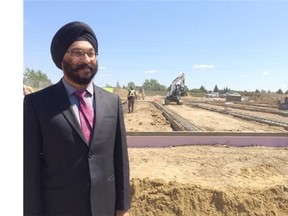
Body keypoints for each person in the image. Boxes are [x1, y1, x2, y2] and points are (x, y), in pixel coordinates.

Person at [24, 21, 131, 216]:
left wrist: (122, 207)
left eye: (91, 53)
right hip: (58, 208)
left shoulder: (112, 102)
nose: (86, 59)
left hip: (104, 207)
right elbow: (29, 167)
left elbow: (120, 158)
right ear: (60, 58)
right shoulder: (36, 104)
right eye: (76, 53)